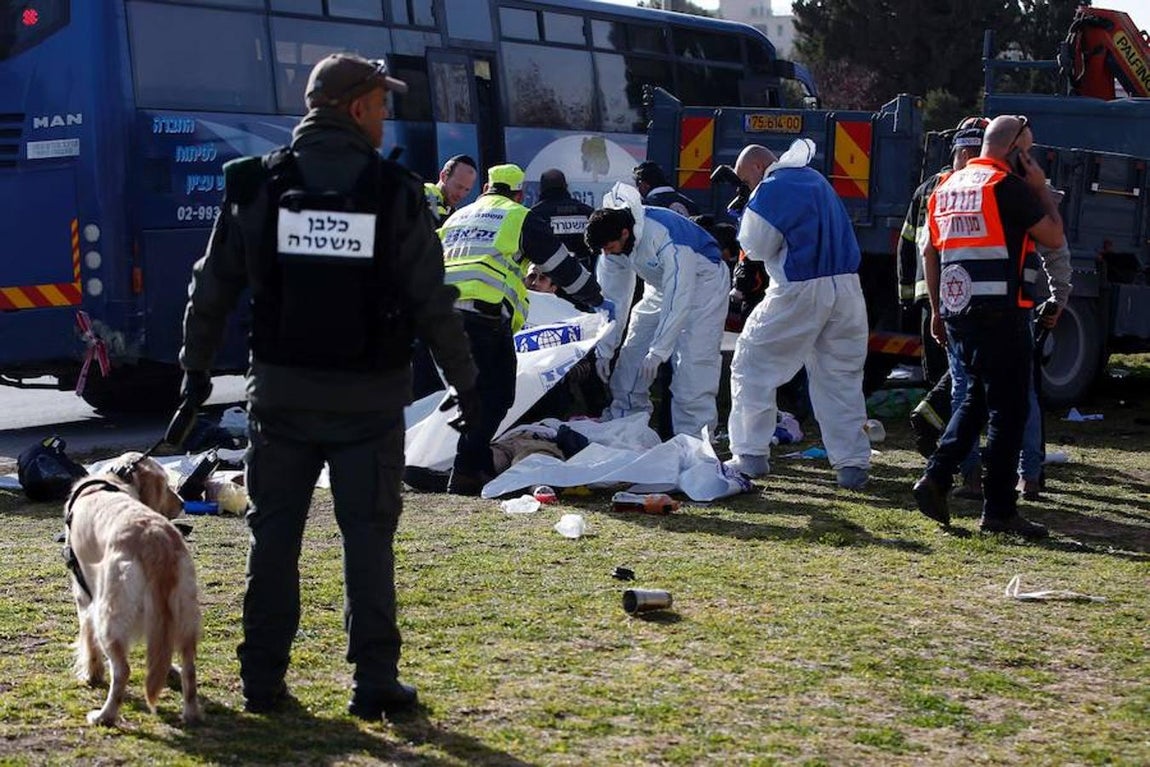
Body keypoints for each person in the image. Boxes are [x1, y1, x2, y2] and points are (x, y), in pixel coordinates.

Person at [175, 53, 480, 719]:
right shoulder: (395, 191)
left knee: (273, 539)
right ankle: (374, 683)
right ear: (354, 107)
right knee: (367, 541)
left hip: (279, 399)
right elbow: (433, 299)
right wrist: (466, 380)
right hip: (369, 404)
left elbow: (212, 284)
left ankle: (262, 683)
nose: (386, 113)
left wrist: (195, 371)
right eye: (381, 101)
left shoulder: (256, 184)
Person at [913, 115, 1068, 539]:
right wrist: (1040, 188)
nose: (1032, 159)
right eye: (1029, 151)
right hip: (1002, 310)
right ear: (1015, 152)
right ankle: (999, 511)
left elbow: (933, 251)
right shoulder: (1009, 188)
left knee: (975, 401)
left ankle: (936, 477)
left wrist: (940, 311)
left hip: (958, 309)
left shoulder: (946, 187)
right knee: (1009, 411)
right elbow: (1053, 237)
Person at [440, 163, 608, 495]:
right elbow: (560, 265)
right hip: (482, 317)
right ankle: (465, 470)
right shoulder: (519, 216)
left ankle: (469, 465)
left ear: (486, 187)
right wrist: (594, 296)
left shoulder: (457, 218)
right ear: (519, 194)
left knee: (468, 396)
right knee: (498, 395)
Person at [723, 140, 871, 490]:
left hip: (799, 288)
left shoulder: (772, 188)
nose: (748, 187)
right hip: (848, 288)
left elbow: (757, 248)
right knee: (840, 378)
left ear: (759, 168)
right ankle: (852, 466)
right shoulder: (816, 179)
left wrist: (745, 211)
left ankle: (750, 454)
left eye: (746, 181)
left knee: (751, 364)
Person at [584, 183, 729, 439]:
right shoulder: (614, 244)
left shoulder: (664, 235)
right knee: (632, 356)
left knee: (694, 364)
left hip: (705, 284)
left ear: (625, 234)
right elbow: (612, 298)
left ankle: (695, 441)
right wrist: (604, 349)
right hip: (659, 284)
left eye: (609, 247)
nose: (607, 254)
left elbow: (680, 294)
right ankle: (625, 427)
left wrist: (659, 350)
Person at [899, 117, 989, 386]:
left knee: (941, 373)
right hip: (968, 293)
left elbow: (908, 243)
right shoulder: (984, 188)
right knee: (966, 370)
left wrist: (906, 295)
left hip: (932, 293)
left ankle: (943, 425)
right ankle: (949, 424)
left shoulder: (929, 189)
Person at [530, 168, 596, 272]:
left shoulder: (534, 215)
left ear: (541, 188)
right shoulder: (587, 212)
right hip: (583, 276)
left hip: (548, 279)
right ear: (566, 186)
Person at [424, 154, 478, 225]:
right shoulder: (427, 191)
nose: (461, 194)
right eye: (459, 186)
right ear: (443, 177)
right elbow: (438, 223)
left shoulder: (450, 210)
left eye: (467, 190)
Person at [632, 161, 698, 217]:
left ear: (644, 185)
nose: (637, 189)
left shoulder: (647, 207)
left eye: (638, 185)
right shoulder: (690, 204)